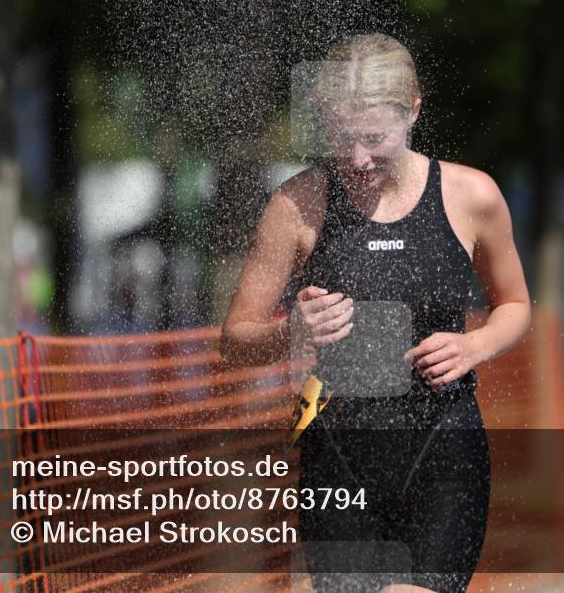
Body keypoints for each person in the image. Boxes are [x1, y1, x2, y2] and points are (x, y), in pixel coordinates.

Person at [220, 33, 531, 593]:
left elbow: (515, 305)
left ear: (413, 110)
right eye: (343, 139)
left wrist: (473, 345)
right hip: (339, 458)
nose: (358, 160)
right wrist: (293, 332)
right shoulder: (297, 205)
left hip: (443, 449)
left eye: (373, 139)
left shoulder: (471, 196)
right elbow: (236, 340)